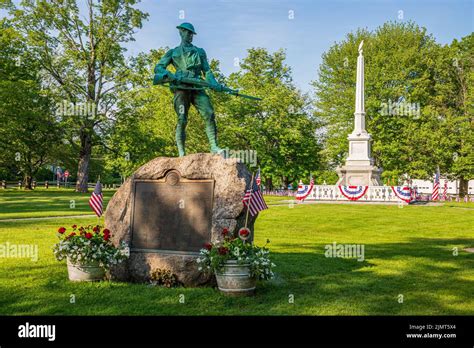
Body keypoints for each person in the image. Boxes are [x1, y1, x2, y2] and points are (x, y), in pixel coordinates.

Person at [154, 22, 223, 157]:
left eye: (192, 33)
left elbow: (207, 71)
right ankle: (181, 152)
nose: (190, 35)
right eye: (188, 32)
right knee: (182, 118)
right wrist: (170, 75)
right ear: (181, 32)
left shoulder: (200, 51)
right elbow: (159, 67)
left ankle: (214, 146)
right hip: (181, 87)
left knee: (209, 113)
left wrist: (214, 83)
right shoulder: (173, 52)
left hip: (197, 85)